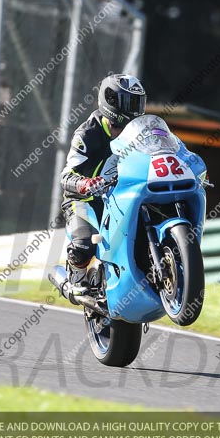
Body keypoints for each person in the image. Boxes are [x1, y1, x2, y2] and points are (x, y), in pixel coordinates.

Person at [60, 74, 147, 297]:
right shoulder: (87, 134)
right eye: (128, 102)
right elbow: (66, 176)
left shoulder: (142, 132)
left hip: (122, 195)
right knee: (84, 245)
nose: (123, 130)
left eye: (136, 102)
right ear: (110, 103)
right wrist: (85, 184)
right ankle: (76, 275)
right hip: (85, 199)